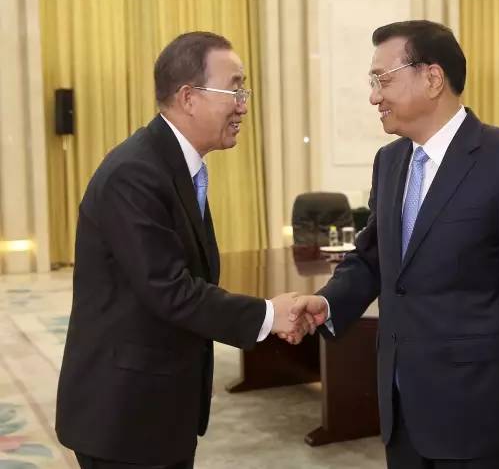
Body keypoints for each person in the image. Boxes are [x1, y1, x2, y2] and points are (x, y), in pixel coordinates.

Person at [290, 20, 499, 469]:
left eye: (382, 80)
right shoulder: (390, 161)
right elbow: (373, 257)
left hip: (480, 410)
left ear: (433, 78)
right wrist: (327, 302)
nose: (373, 97)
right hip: (402, 406)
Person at [56, 32, 311, 469]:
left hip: (158, 406)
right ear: (189, 97)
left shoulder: (172, 164)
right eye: (234, 89)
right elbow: (170, 289)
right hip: (123, 417)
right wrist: (270, 315)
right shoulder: (135, 173)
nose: (243, 105)